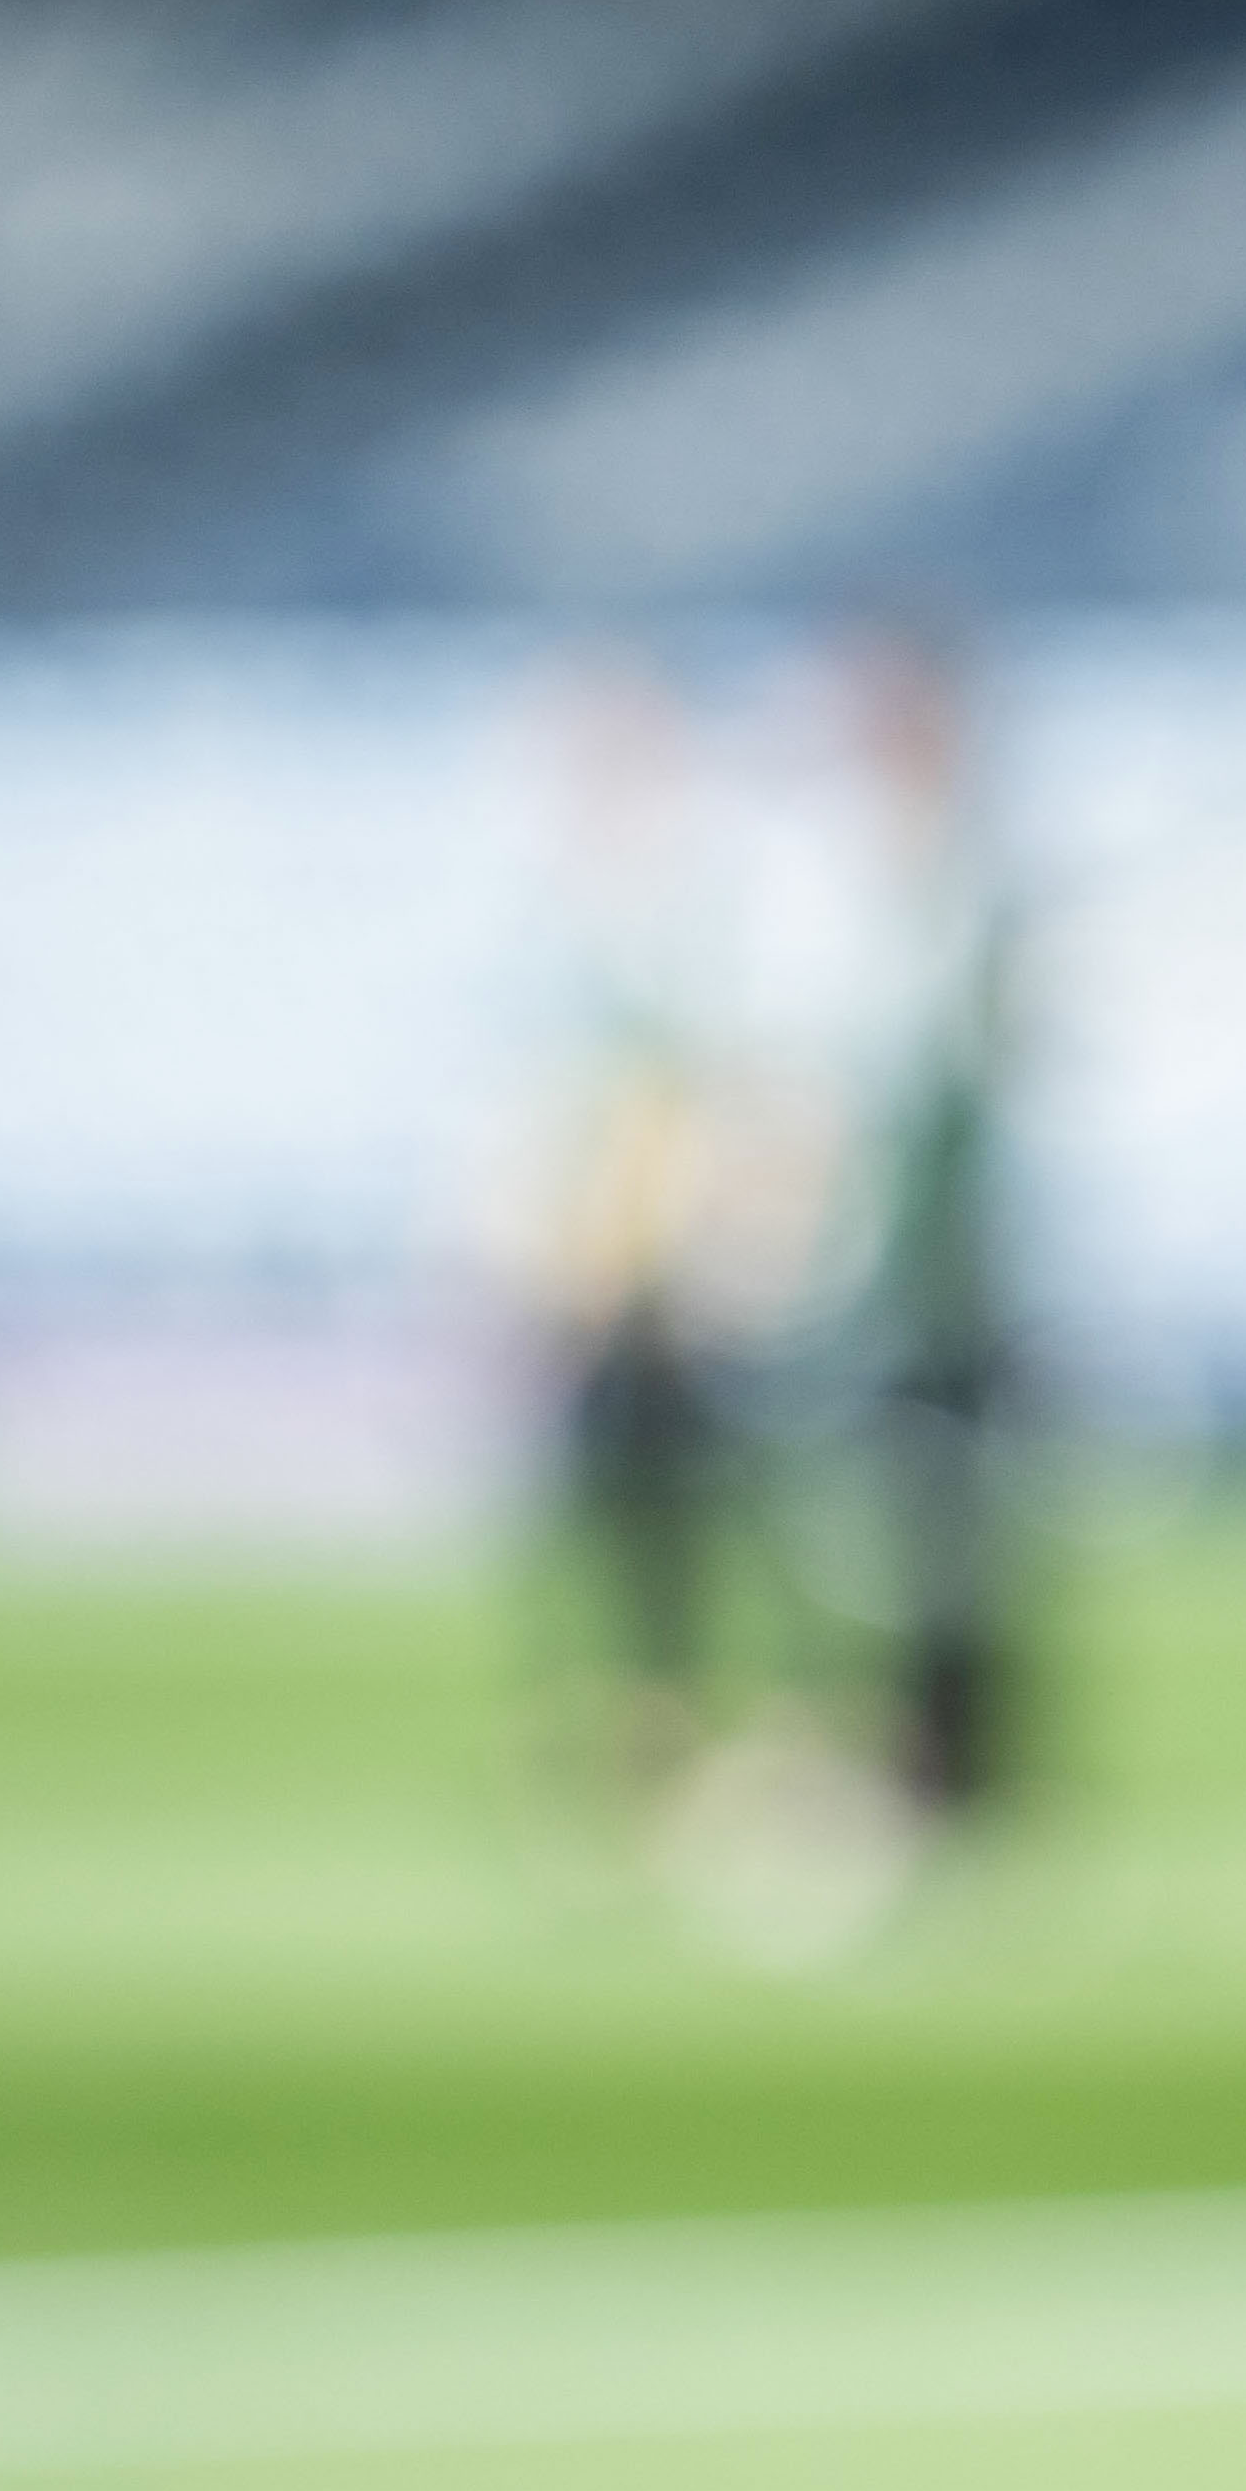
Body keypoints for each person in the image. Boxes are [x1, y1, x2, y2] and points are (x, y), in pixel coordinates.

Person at [523, 654, 738, 1791]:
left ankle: (676, 1723)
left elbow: (694, 1102)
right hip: (591, 1270)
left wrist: (681, 1249)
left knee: (683, 1522)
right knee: (596, 1515)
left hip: (660, 1277)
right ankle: (626, 1718)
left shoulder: (685, 915)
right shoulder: (571, 913)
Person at [833, 620, 1031, 1828]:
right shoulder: (841, 883)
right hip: (865, 1270)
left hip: (943, 1272)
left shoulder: (970, 885)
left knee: (951, 1532)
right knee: (875, 1530)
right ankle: (898, 1754)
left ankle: (954, 1767)